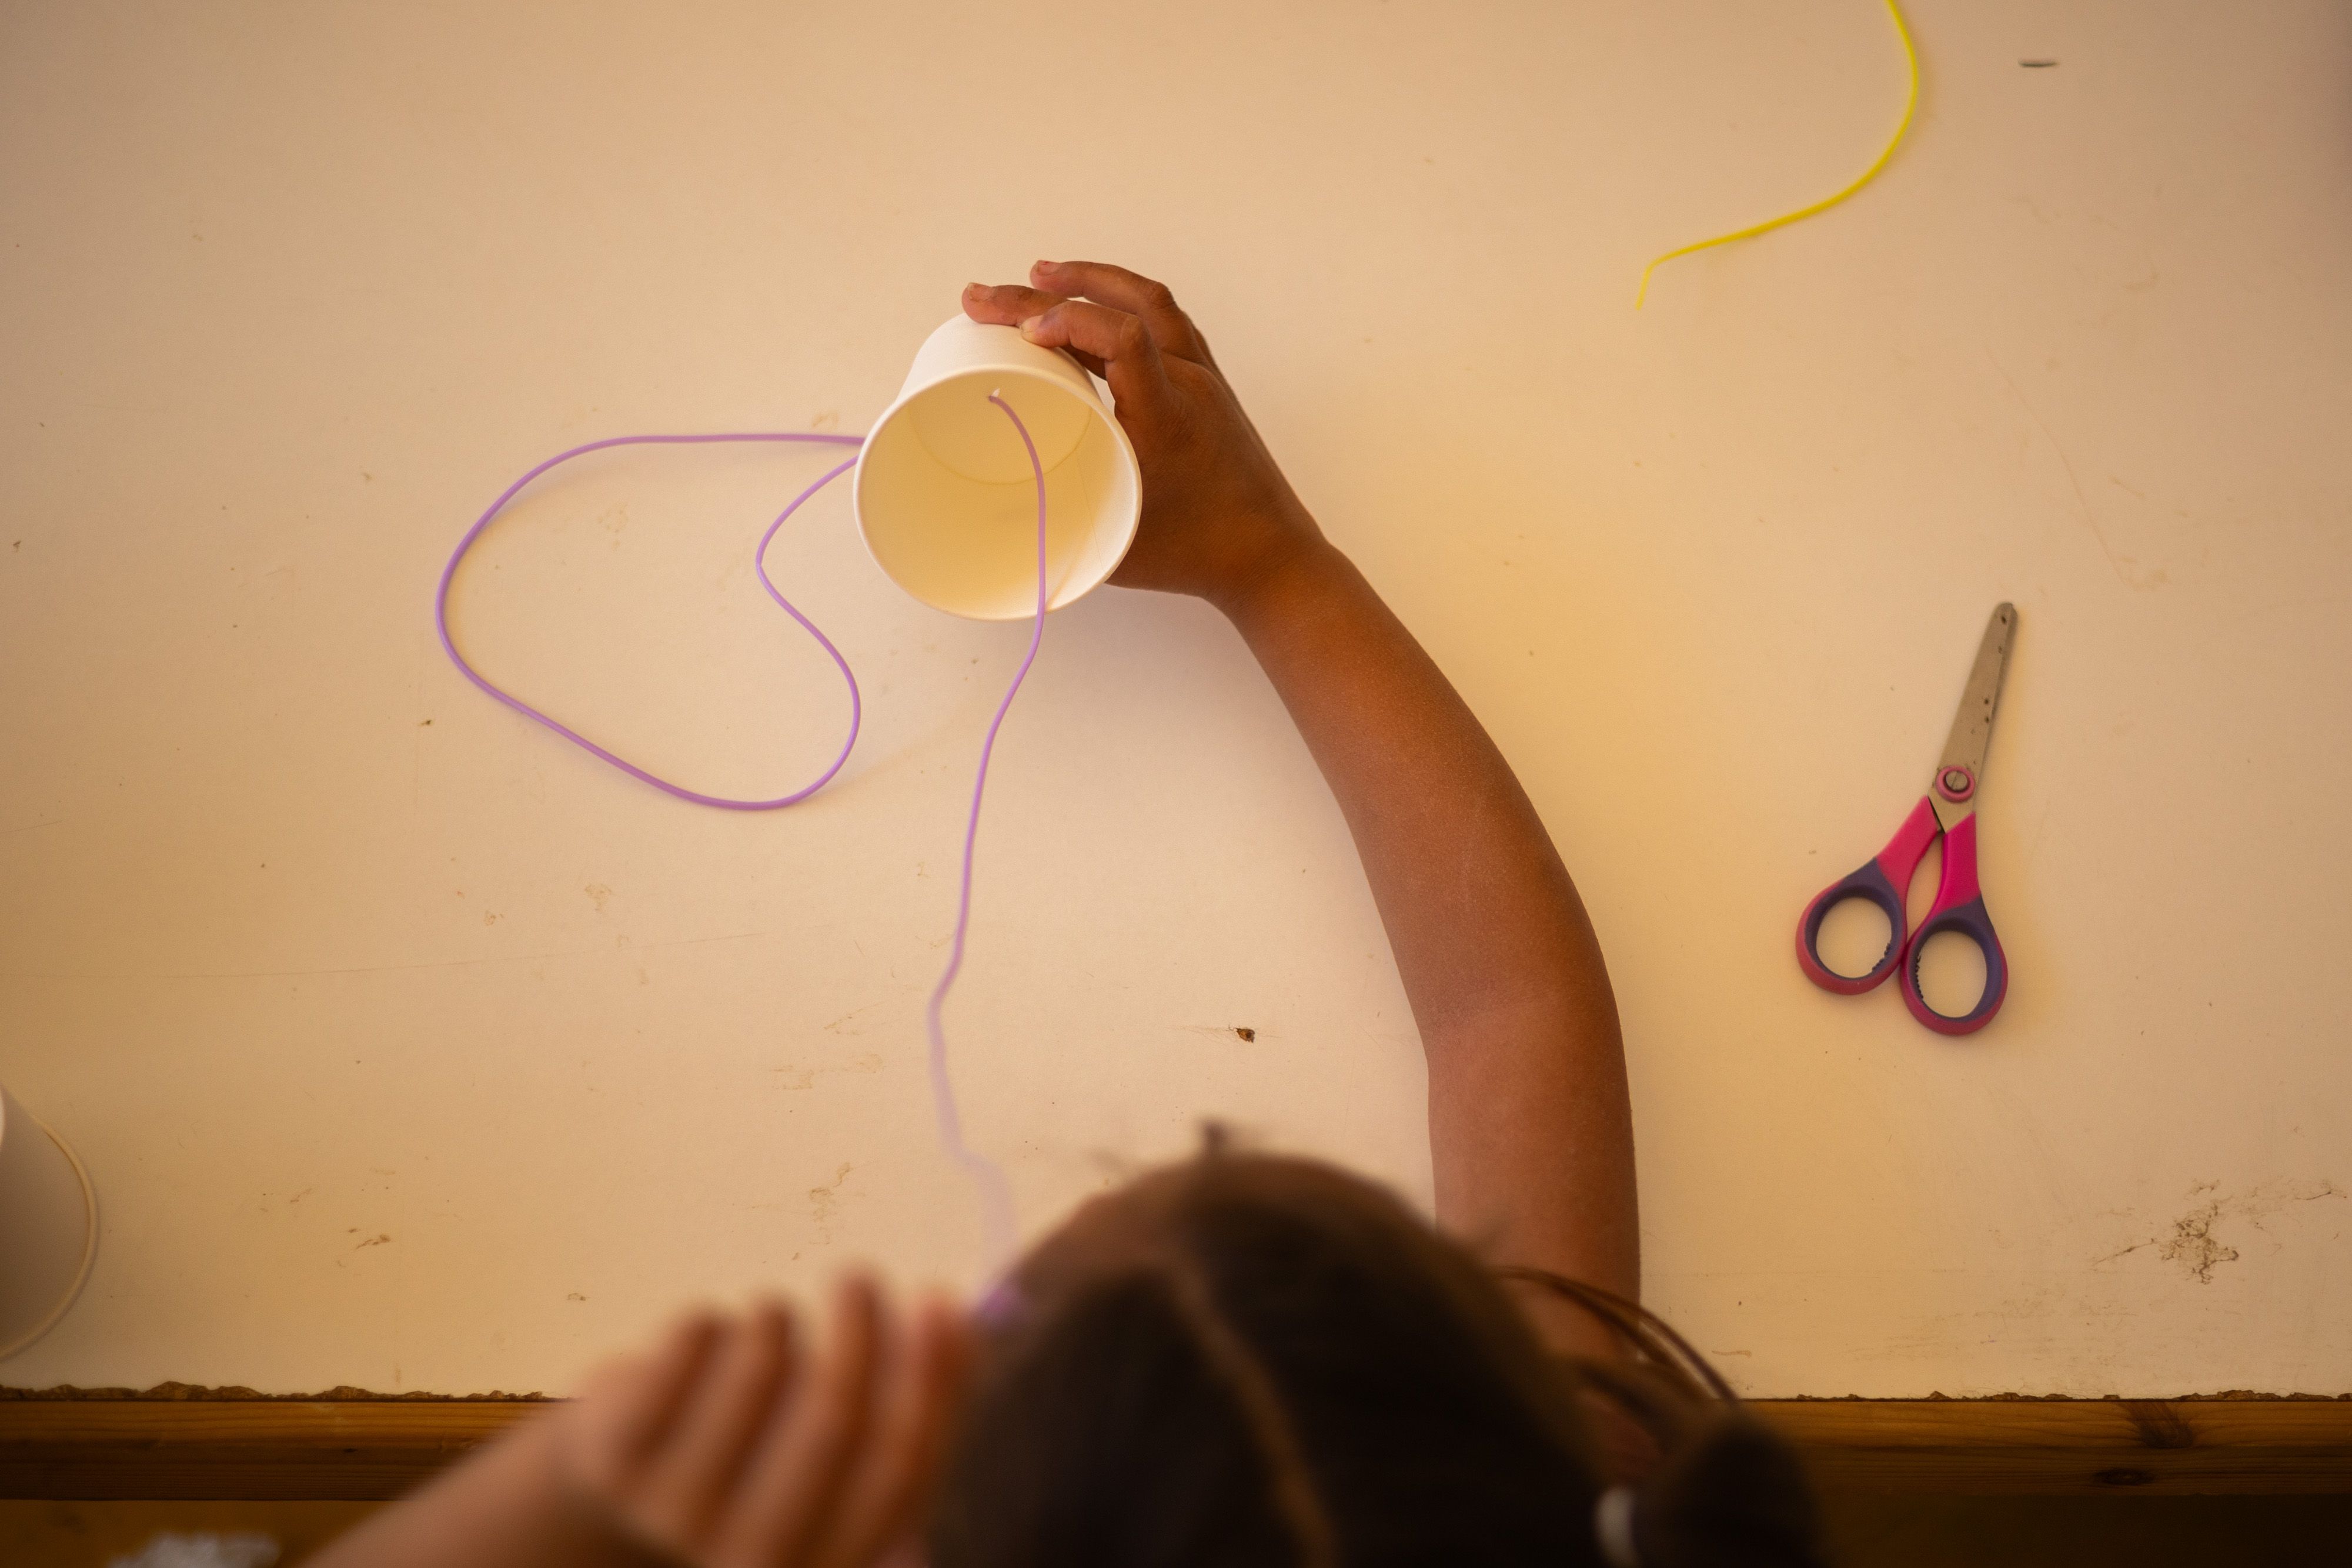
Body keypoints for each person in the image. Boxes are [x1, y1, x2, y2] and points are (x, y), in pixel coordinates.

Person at [310, 262, 1827, 1568]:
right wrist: (1272, 565)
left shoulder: (1505, 1492)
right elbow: (1514, 1013)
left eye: (1008, 1326)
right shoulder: (1516, 1501)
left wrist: (559, 1493)